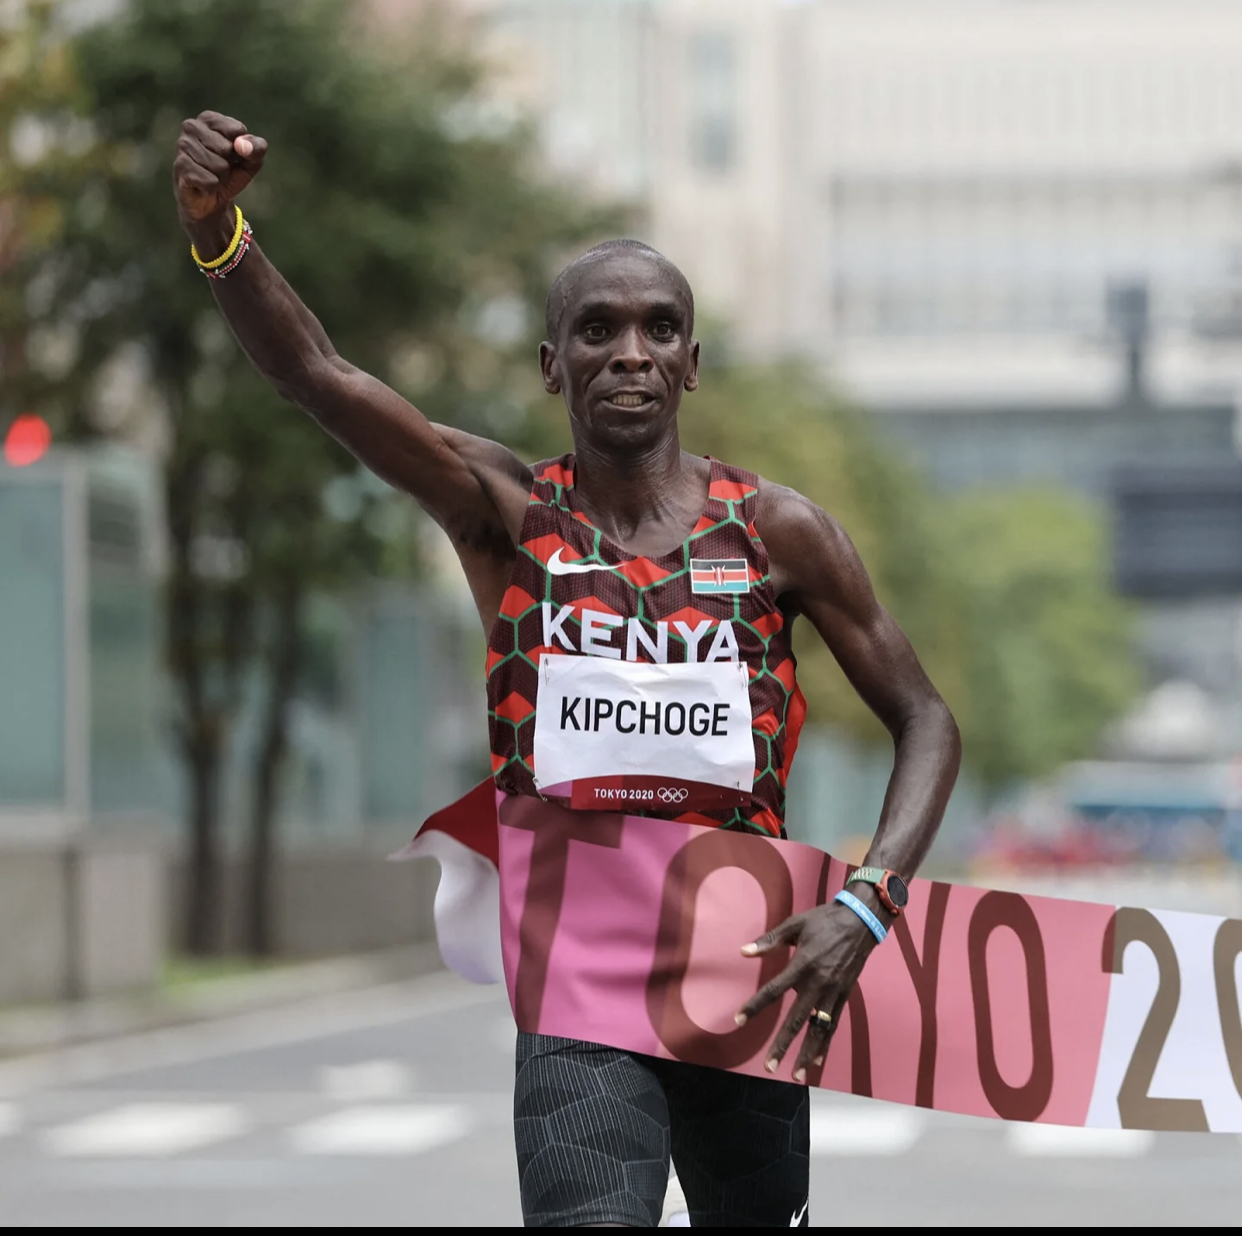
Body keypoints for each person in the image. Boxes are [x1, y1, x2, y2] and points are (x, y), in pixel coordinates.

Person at [173, 111, 961, 1228]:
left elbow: (927, 720)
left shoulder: (781, 533)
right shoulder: (504, 511)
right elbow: (319, 375)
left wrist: (870, 905)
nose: (629, 352)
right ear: (554, 364)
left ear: (693, 361)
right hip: (581, 976)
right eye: (596, 330)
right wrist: (220, 232)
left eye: (658, 329)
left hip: (750, 968)